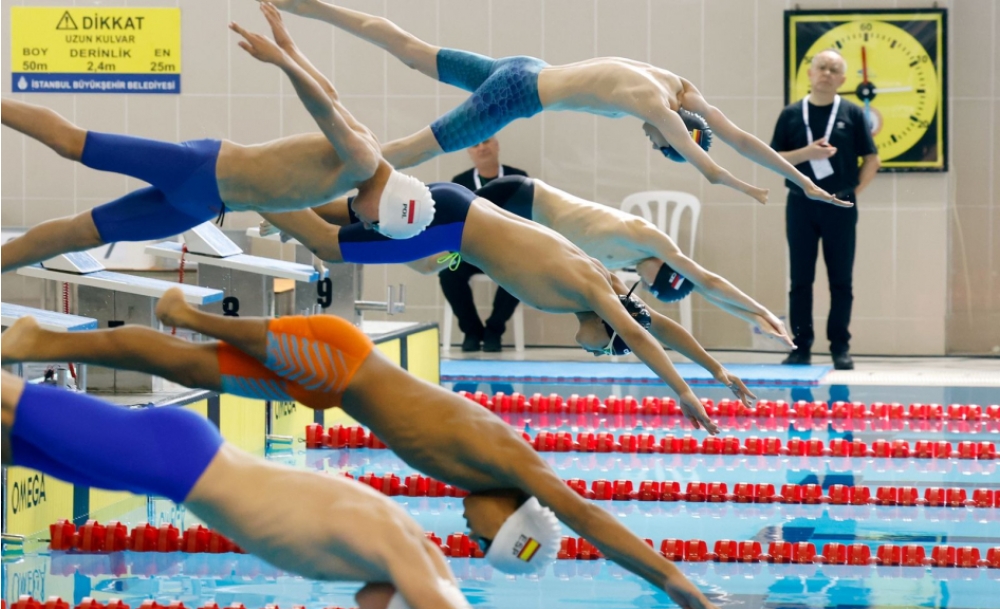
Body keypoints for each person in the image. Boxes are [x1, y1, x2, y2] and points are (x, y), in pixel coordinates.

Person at [3, 308, 749, 609]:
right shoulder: (511, 467)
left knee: (170, 369)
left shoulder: (437, 514)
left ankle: (52, 341)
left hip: (318, 393)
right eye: (485, 540)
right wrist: (678, 586)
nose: (470, 535)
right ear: (512, 521)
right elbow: (586, 521)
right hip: (335, 363)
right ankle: (87, 331)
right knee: (183, 352)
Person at [0, 369, 524, 609]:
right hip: (178, 460)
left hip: (173, 467)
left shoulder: (398, 547)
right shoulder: (394, 550)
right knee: (8, 401)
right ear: (409, 608)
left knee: (8, 443)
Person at [257, 184, 757, 433]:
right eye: (606, 351)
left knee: (349, 217)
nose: (596, 354)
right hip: (452, 226)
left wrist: (717, 369)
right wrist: (684, 392)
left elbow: (656, 325)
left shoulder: (604, 286)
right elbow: (643, 334)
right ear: (607, 329)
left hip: (458, 209)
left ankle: (267, 199)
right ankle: (245, 189)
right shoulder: (594, 292)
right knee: (327, 245)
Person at [261, 0, 852, 209]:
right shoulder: (659, 105)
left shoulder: (677, 84)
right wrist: (749, 188)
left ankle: (311, 6)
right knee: (411, 151)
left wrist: (804, 181)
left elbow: (741, 138)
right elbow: (713, 164)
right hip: (517, 94)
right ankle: (314, 186)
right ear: (675, 131)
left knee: (412, 50)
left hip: (524, 65)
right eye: (661, 144)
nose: (653, 141)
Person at [0, 2, 434, 274]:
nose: (367, 223)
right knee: (73, 144)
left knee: (85, 233)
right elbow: (323, 108)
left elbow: (331, 95)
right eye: (377, 222)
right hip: (199, 169)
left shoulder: (364, 160)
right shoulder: (362, 162)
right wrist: (283, 61)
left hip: (204, 205)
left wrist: (291, 49)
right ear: (390, 202)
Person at [471, 175, 794, 349]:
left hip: (524, 220)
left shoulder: (628, 262)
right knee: (454, 233)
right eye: (654, 284)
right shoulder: (647, 237)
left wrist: (753, 318)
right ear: (663, 270)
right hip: (520, 197)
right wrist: (763, 311)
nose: (647, 286)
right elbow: (708, 281)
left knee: (458, 250)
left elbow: (706, 292)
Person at [770, 49, 880, 370]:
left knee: (841, 280)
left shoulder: (852, 113)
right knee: (800, 280)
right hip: (801, 204)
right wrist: (806, 153)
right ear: (810, 73)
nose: (827, 74)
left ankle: (840, 348)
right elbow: (773, 158)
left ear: (843, 79)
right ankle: (800, 346)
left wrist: (852, 193)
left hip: (840, 205)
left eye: (834, 70)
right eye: (822, 67)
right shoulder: (791, 114)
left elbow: (872, 160)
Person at [445, 137, 527, 352]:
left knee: (521, 273)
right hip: (472, 252)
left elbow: (527, 218)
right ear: (469, 152)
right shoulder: (460, 182)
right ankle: (471, 331)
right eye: (475, 144)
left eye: (486, 141)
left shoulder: (518, 178)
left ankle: (494, 330)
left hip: (506, 252)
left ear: (497, 145)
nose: (481, 147)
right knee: (448, 272)